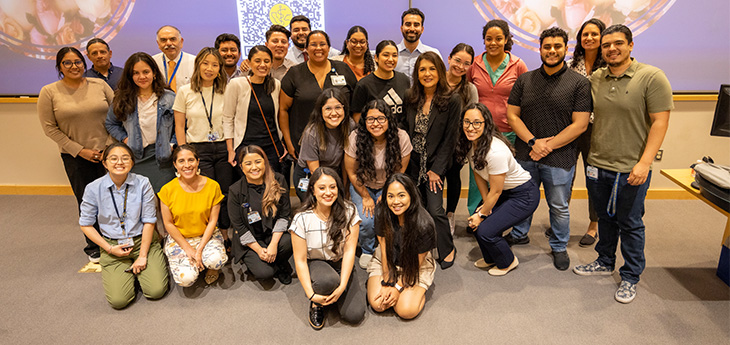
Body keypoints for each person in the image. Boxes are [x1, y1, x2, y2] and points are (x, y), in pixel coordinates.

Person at [573, 24, 673, 304]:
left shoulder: (652, 77)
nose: (611, 49)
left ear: (631, 45)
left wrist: (645, 163)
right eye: (606, 45)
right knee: (604, 217)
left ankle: (630, 276)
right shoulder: (596, 78)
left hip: (631, 167)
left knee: (629, 222)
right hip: (597, 163)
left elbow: (660, 122)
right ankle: (604, 260)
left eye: (618, 43)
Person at [505, 27, 592, 270]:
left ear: (566, 49)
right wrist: (534, 142)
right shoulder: (525, 80)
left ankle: (559, 245)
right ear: (540, 49)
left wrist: (546, 146)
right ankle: (520, 232)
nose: (552, 51)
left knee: (558, 205)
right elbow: (512, 115)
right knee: (522, 199)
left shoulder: (579, 83)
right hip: (526, 152)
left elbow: (580, 125)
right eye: (547, 46)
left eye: (557, 46)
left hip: (560, 156)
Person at [38, 46, 113, 263]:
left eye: (77, 61)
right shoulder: (49, 92)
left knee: (114, 198)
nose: (74, 66)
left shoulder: (100, 85)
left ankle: (116, 239)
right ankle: (94, 246)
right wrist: (81, 151)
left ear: (84, 62)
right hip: (76, 157)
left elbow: (118, 114)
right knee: (87, 200)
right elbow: (50, 128)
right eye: (67, 63)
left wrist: (108, 147)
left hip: (109, 154)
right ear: (59, 67)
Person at [79, 142, 169, 309]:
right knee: (119, 302)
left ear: (132, 162)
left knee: (156, 291)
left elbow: (149, 220)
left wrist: (142, 255)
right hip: (112, 246)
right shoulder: (93, 188)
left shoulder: (143, 183)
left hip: (143, 241)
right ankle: (129, 272)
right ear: (105, 163)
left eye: (125, 158)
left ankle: (139, 267)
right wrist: (109, 248)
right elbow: (86, 225)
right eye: (113, 158)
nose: (119, 162)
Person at [456, 103, 539, 276]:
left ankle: (507, 262)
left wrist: (482, 214)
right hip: (506, 192)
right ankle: (490, 258)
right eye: (467, 122)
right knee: (477, 226)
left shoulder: (495, 151)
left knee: (485, 230)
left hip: (524, 195)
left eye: (477, 123)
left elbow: (496, 191)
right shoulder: (473, 143)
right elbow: (478, 173)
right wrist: (485, 206)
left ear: (486, 124)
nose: (471, 127)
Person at [173, 47, 233, 251]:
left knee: (224, 193)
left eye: (215, 65)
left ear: (220, 68)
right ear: (197, 65)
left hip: (224, 147)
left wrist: (232, 148)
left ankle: (225, 234)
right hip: (197, 150)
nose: (209, 68)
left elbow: (232, 120)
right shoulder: (185, 91)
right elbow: (179, 125)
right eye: (205, 63)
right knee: (204, 195)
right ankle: (208, 236)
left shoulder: (227, 89)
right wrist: (184, 154)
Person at [289, 167, 365, 330]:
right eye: (321, 188)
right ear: (313, 191)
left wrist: (343, 285)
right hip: (317, 262)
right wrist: (311, 294)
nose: (328, 192)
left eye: (332, 187)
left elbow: (350, 251)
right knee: (327, 280)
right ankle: (318, 304)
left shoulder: (349, 210)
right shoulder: (301, 218)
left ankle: (335, 289)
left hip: (341, 262)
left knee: (355, 315)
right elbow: (300, 261)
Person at [467, 19, 528, 217]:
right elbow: (466, 94)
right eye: (488, 39)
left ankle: (499, 215)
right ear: (483, 40)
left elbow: (525, 98)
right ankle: (476, 212)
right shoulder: (474, 64)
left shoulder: (518, 65)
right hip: (478, 132)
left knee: (500, 177)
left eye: (498, 39)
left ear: (506, 40)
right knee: (477, 175)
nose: (493, 43)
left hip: (507, 130)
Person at [404, 51, 460, 269]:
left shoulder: (452, 99)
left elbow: (450, 138)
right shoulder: (410, 97)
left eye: (432, 69)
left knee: (436, 209)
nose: (427, 74)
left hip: (435, 164)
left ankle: (447, 247)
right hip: (412, 162)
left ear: (440, 72)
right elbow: (403, 130)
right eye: (422, 69)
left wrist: (437, 170)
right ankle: (418, 247)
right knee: (414, 208)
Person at [344, 99, 412, 269]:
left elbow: (400, 172)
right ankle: (367, 250)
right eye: (371, 119)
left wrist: (388, 192)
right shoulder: (355, 137)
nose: (376, 123)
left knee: (389, 216)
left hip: (390, 186)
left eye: (381, 118)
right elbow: (351, 172)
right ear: (364, 121)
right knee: (366, 221)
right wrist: (366, 196)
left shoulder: (401, 137)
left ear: (389, 119)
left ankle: (388, 248)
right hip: (362, 185)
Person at [279, 30, 357, 163]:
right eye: (313, 44)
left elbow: (356, 106)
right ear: (306, 48)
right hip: (304, 145)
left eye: (323, 44)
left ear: (328, 47)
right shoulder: (295, 73)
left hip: (342, 146)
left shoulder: (343, 69)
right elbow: (283, 109)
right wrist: (288, 142)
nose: (318, 48)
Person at [367, 173, 436, 319]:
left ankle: (417, 293)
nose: (396, 201)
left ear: (411, 195)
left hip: (414, 267)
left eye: (401, 195)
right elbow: (384, 249)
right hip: (387, 260)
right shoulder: (382, 212)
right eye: (390, 196)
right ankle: (402, 292)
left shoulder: (425, 224)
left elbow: (416, 264)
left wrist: (397, 288)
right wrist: (387, 282)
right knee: (378, 304)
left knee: (406, 311)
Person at [106, 52, 176, 193]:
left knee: (165, 203)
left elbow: (181, 125)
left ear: (154, 73)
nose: (142, 77)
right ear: (130, 76)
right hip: (137, 158)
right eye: (136, 73)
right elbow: (111, 123)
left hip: (163, 158)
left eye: (146, 72)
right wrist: (124, 139)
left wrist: (172, 144)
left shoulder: (169, 97)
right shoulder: (122, 99)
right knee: (141, 202)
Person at [159, 145, 228, 286]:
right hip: (180, 239)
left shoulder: (213, 186)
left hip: (206, 236)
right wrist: (188, 249)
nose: (187, 165)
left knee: (215, 260)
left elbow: (213, 221)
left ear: (198, 162)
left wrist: (200, 249)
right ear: (175, 164)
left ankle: (211, 268)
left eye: (191, 160)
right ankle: (196, 263)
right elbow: (168, 224)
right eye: (181, 161)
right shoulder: (167, 190)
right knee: (186, 280)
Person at [567, 18, 607, 247]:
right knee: (565, 177)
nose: (589, 38)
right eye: (585, 34)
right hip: (572, 129)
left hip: (597, 130)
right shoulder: (572, 65)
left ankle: (594, 225)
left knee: (594, 179)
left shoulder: (609, 65)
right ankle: (561, 221)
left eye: (594, 34)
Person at [228, 145, 293, 284]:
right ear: (241, 166)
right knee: (265, 273)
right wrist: (258, 250)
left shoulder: (279, 180)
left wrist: (274, 245)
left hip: (272, 234)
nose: (254, 167)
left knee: (291, 241)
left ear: (265, 162)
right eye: (248, 163)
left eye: (258, 161)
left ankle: (278, 262)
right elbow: (239, 226)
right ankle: (273, 263)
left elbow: (284, 215)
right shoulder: (235, 191)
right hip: (250, 241)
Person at [223, 45, 287, 178]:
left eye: (266, 61)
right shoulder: (237, 84)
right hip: (246, 147)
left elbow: (276, 119)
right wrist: (230, 149)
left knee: (273, 188)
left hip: (271, 147)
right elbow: (228, 118)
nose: (262, 65)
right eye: (257, 61)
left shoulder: (275, 84)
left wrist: (281, 143)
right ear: (249, 62)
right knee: (251, 189)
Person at [293, 88, 353, 201]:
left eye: (338, 108)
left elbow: (346, 163)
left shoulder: (350, 126)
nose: (334, 113)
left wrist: (345, 189)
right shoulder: (312, 133)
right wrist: (326, 193)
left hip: (335, 173)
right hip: (309, 175)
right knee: (317, 206)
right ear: (320, 111)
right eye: (328, 109)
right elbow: (315, 171)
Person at [444, 43, 478, 234]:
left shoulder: (469, 89)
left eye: (466, 63)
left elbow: (474, 116)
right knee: (435, 180)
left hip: (458, 142)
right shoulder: (436, 82)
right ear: (449, 59)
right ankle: (434, 215)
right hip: (436, 141)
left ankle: (450, 215)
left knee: (453, 177)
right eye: (457, 60)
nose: (460, 66)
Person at [350, 40, 410, 125]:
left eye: (394, 55)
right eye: (386, 55)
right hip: (374, 134)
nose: (390, 59)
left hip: (400, 134)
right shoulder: (364, 85)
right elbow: (357, 116)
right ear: (376, 58)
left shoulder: (404, 79)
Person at [395, 7, 443, 83]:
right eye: (408, 24)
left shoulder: (434, 54)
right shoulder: (392, 55)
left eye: (416, 25)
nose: (412, 28)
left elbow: (440, 81)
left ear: (422, 29)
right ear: (401, 28)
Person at [152, 25, 195, 92]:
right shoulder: (152, 62)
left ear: (181, 42)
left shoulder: (195, 62)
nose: (168, 43)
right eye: (163, 40)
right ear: (158, 44)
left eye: (173, 39)